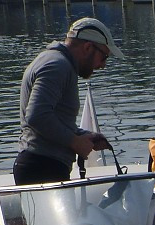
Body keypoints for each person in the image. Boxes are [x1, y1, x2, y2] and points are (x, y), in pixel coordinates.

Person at [14, 17, 123, 186]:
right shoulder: (57, 65)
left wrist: (81, 135)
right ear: (88, 47)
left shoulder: (55, 62)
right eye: (104, 57)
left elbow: (51, 117)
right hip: (42, 167)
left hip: (43, 165)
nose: (103, 66)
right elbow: (37, 116)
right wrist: (74, 142)